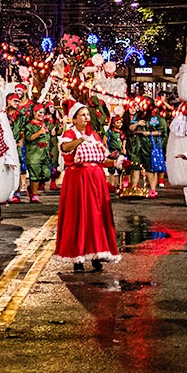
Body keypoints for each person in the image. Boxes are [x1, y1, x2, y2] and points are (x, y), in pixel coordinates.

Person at [54, 102, 123, 273]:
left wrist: (116, 162)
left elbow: (101, 159)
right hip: (78, 179)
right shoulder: (69, 134)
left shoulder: (95, 136)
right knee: (78, 216)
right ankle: (78, 257)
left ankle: (97, 253)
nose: (86, 118)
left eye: (87, 114)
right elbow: (65, 148)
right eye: (82, 115)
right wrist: (80, 140)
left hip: (96, 180)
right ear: (74, 118)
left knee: (96, 216)